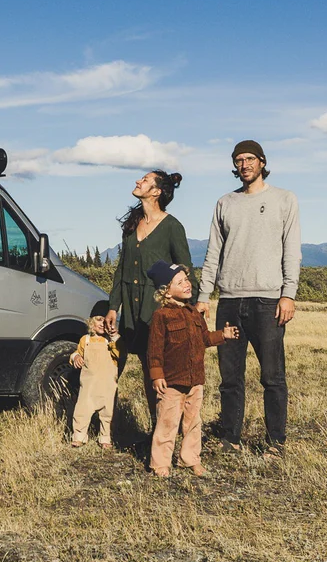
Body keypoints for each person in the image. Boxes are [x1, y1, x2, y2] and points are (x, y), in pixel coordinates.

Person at [196, 140, 301, 456]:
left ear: (262, 162)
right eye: (239, 160)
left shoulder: (284, 199)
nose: (244, 165)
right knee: (230, 378)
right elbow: (213, 253)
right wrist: (203, 295)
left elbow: (292, 250)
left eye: (250, 159)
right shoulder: (225, 203)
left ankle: (275, 442)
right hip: (229, 300)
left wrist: (288, 294)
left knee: (272, 376)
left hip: (268, 302)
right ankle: (230, 438)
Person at [104, 170, 193, 424]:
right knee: (148, 368)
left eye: (144, 180)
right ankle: (157, 429)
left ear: (156, 192)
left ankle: (172, 428)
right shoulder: (132, 226)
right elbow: (122, 269)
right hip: (134, 308)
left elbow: (185, 269)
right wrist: (113, 306)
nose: (138, 181)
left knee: (164, 370)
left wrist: (188, 308)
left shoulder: (172, 227)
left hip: (159, 309)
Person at [145, 260, 237, 476]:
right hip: (172, 382)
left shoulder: (194, 313)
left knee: (193, 422)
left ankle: (190, 458)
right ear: (166, 292)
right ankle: (160, 463)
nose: (187, 284)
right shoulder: (161, 316)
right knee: (167, 423)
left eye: (186, 279)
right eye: (180, 282)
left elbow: (204, 338)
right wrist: (157, 375)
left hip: (196, 380)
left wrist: (222, 335)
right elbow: (154, 349)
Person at [68, 300, 121, 448]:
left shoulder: (112, 341)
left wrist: (114, 338)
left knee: (107, 413)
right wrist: (76, 357)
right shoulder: (85, 340)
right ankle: (79, 436)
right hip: (88, 386)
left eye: (106, 320)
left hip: (107, 385)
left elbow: (120, 354)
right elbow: (76, 353)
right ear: (91, 322)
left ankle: (105, 438)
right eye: (98, 319)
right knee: (82, 410)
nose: (102, 323)